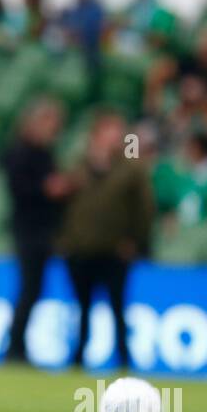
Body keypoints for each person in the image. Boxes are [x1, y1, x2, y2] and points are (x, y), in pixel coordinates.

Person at [58, 111, 154, 369]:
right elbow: (61, 205)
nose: (114, 139)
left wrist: (135, 241)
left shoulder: (132, 169)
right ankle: (78, 357)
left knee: (117, 307)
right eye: (109, 133)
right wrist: (64, 240)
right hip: (80, 249)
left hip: (115, 250)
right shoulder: (77, 166)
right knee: (82, 307)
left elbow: (143, 210)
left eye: (117, 133)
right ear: (96, 136)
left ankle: (123, 358)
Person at [1, 99, 70, 362]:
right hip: (29, 231)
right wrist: (47, 189)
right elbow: (20, 189)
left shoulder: (44, 153)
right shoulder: (22, 153)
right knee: (29, 289)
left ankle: (17, 346)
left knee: (33, 290)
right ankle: (15, 347)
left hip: (41, 231)